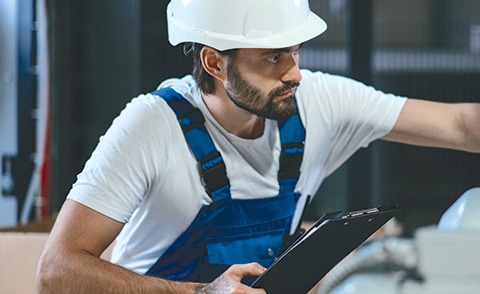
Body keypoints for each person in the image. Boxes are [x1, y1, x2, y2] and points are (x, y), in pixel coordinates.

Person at [36, 0, 480, 293]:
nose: (295, 73)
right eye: (272, 56)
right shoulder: (153, 125)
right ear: (214, 61)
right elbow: (55, 271)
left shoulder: (314, 101)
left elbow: (461, 125)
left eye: (296, 51)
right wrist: (203, 293)